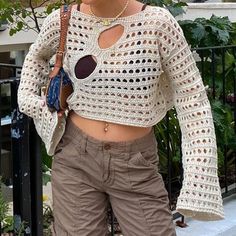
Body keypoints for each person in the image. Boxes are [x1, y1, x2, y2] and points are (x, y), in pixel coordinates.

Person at [17, 0, 224, 235]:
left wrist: (198, 174)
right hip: (75, 157)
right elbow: (36, 56)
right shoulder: (63, 19)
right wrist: (30, 101)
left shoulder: (158, 23)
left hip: (135, 163)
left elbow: (192, 98)